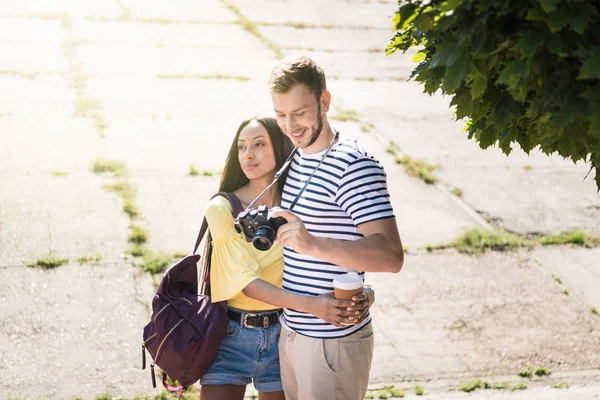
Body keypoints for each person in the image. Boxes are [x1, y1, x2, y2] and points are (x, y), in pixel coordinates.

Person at [199, 117, 375, 400]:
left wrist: (363, 291)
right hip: (231, 336)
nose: (249, 154)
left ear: (280, 147)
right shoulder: (222, 208)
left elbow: (329, 255)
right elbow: (246, 282)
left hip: (284, 336)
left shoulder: (298, 205)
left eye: (259, 144)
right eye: (242, 147)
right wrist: (313, 306)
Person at [268, 55, 404, 400]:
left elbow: (391, 255)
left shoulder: (354, 165)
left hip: (332, 343)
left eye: (299, 113)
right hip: (294, 332)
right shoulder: (295, 157)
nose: (290, 125)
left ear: (324, 101)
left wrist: (311, 244)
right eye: (281, 115)